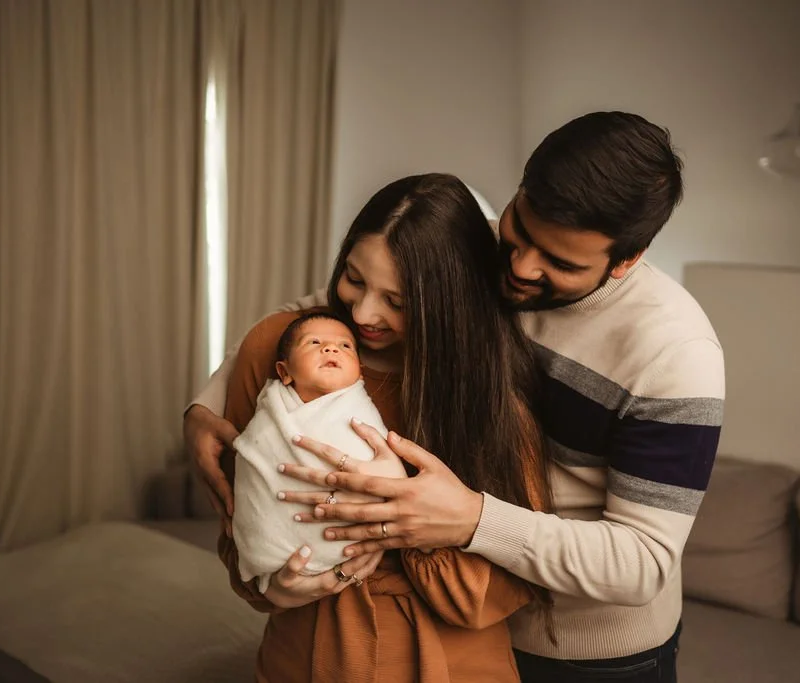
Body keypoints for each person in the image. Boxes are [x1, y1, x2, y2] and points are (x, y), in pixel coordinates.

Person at [187, 111, 726, 682]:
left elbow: (643, 562)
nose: (519, 267)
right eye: (520, 230)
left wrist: (469, 519)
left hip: (588, 649)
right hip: (461, 620)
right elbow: (322, 316)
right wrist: (206, 404)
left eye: (559, 262)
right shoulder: (475, 250)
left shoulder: (676, 355)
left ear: (626, 259)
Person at [210, 173, 552, 682]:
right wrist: (268, 588)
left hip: (452, 661)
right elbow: (240, 519)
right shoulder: (278, 348)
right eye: (354, 277)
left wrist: (404, 514)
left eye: (398, 301)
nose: (364, 312)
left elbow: (503, 587)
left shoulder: (488, 395)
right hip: (303, 653)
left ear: (448, 305)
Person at [230, 312, 407, 591]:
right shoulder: (273, 413)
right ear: (284, 372)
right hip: (282, 548)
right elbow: (255, 456)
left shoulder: (359, 411)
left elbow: (386, 466)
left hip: (354, 547)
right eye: (314, 343)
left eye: (345, 346)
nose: (331, 348)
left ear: (359, 372)